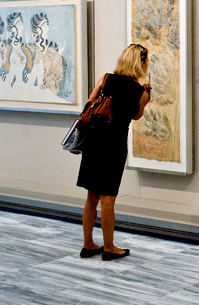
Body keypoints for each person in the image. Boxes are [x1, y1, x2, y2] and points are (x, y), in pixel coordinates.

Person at [76, 43, 152, 261]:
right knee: (108, 198)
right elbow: (136, 116)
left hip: (93, 140)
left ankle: (88, 244)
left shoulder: (106, 78)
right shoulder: (140, 92)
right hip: (114, 144)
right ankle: (109, 247)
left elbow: (89, 103)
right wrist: (146, 96)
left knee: (91, 196)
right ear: (140, 63)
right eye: (146, 61)